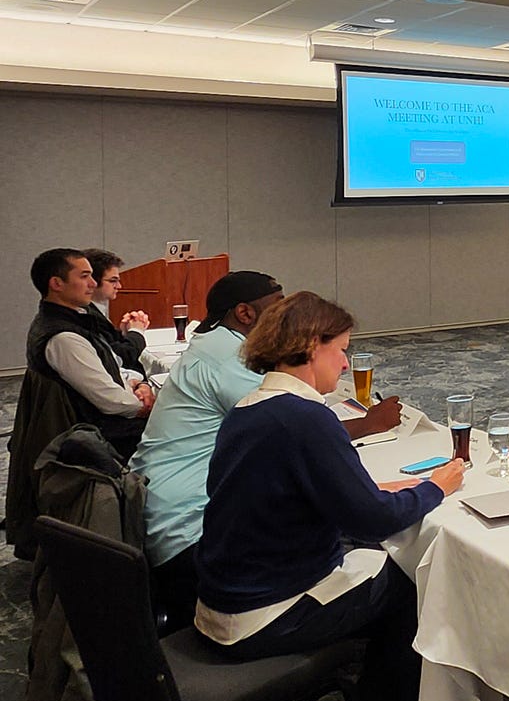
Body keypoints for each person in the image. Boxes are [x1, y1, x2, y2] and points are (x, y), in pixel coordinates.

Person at [193, 292, 463, 701]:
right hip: (264, 615)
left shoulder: (248, 409)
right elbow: (374, 520)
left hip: (220, 601)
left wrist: (369, 490)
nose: (343, 364)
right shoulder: (305, 418)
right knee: (418, 576)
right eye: (340, 351)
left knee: (372, 556)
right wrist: (436, 487)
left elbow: (290, 493)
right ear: (311, 345)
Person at [132, 271, 402, 624]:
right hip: (191, 534)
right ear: (245, 314)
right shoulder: (227, 358)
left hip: (177, 515)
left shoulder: (215, 345)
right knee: (388, 564)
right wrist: (368, 424)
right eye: (278, 307)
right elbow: (297, 425)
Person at [6, 250, 158, 559]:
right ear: (56, 283)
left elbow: (108, 370)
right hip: (92, 432)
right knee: (170, 434)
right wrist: (145, 404)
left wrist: (135, 385)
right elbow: (108, 400)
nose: (92, 283)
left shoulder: (73, 319)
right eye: (84, 276)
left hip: (93, 416)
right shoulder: (62, 335)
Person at [83, 247, 151, 375]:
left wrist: (123, 334)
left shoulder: (95, 310)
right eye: (113, 281)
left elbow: (111, 346)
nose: (119, 286)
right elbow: (120, 358)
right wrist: (136, 331)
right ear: (92, 282)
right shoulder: (86, 316)